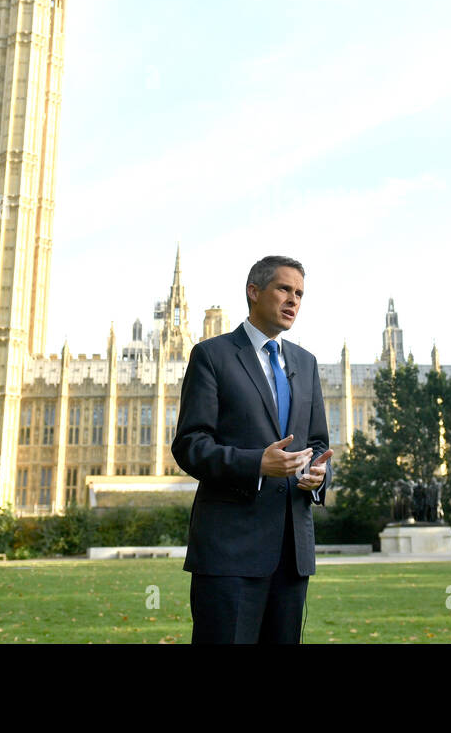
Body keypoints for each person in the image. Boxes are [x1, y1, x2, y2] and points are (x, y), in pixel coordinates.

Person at [171, 255, 333, 644]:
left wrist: (319, 475)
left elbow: (318, 444)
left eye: (299, 293)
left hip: (291, 555)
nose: (293, 300)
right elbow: (190, 445)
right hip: (230, 552)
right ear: (254, 292)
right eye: (284, 289)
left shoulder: (305, 363)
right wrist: (257, 463)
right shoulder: (213, 355)